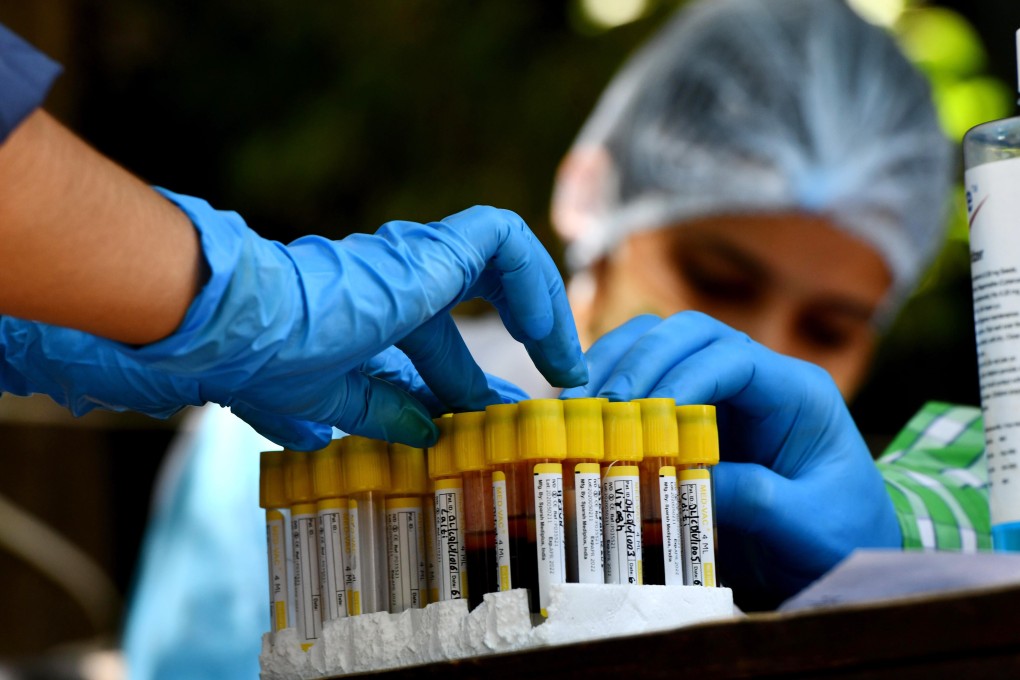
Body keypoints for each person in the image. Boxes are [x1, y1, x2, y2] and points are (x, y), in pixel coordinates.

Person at [124, 0, 989, 676]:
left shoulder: (855, 524)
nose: (759, 345)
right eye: (717, 280)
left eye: (831, 328)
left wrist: (884, 587)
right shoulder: (304, 418)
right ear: (594, 203)